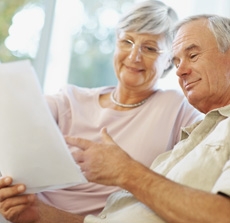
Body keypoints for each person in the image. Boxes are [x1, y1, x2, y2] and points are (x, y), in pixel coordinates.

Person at [1, 13, 229, 223]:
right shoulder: (196, 135)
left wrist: (126, 172)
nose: (134, 56)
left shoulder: (179, 111)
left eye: (193, 55)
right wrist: (39, 213)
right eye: (126, 42)